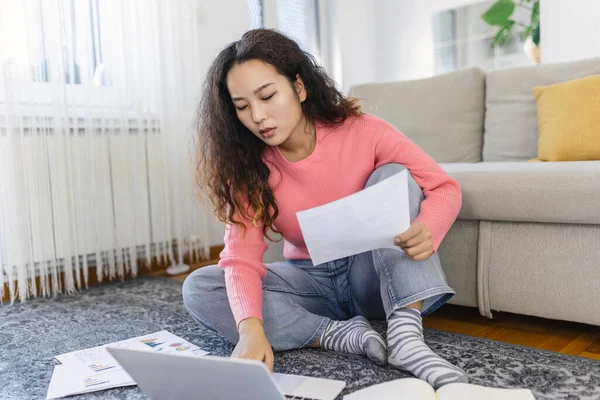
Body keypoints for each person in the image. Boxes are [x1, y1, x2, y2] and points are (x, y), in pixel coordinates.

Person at [183, 28, 468, 389]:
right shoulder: (249, 167)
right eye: (242, 107)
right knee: (200, 288)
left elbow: (444, 187)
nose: (257, 115)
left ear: (299, 88)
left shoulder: (364, 131)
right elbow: (240, 259)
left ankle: (406, 338)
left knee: (396, 175)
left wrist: (429, 226)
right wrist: (252, 330)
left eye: (267, 96)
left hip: (373, 276)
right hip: (312, 282)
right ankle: (337, 334)